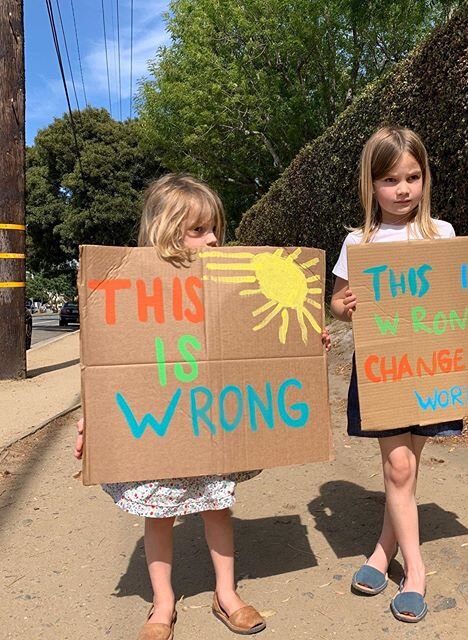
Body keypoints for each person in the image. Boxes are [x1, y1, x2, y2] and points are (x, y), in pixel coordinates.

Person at [74, 174, 331, 639]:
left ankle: (226, 594)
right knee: (158, 515)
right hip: (160, 428)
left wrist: (305, 341)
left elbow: (257, 341)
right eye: (198, 230)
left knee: (217, 508)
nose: (213, 238)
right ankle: (163, 603)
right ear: (165, 231)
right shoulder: (130, 286)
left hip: (208, 425)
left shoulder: (226, 284)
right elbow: (108, 363)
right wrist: (94, 419)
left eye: (214, 228)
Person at [330, 127, 468, 624]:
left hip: (432, 368)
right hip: (385, 371)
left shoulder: (441, 234)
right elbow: (337, 304)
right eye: (389, 180)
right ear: (370, 185)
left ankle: (383, 550)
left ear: (425, 178)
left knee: (405, 468)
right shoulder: (359, 241)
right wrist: (345, 305)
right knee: (399, 469)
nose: (402, 189)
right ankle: (416, 571)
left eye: (413, 177)